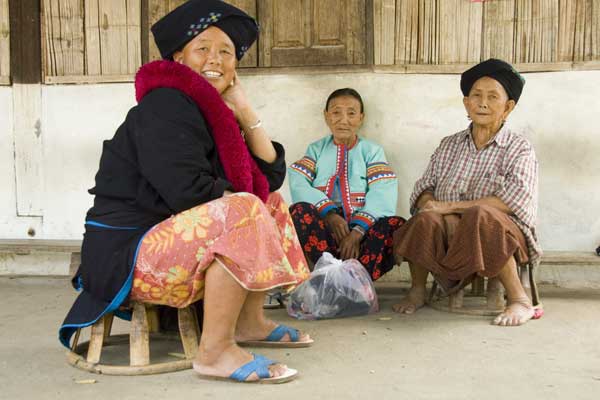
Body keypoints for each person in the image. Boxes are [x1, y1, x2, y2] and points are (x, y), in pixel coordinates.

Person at [59, 0, 312, 383]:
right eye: (203, 48)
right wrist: (243, 206)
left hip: (168, 244)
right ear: (179, 58)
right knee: (243, 209)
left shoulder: (215, 115)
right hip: (127, 254)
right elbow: (187, 191)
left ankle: (249, 323)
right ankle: (215, 352)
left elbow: (269, 177)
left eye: (226, 51)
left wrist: (245, 112)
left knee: (269, 204)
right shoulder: (166, 103)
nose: (216, 58)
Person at [392, 58, 542, 327]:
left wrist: (449, 208)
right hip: (448, 228)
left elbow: (514, 199)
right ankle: (417, 290)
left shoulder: (519, 148)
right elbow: (424, 187)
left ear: (508, 108)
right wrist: (430, 205)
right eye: (476, 95)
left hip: (500, 231)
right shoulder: (449, 144)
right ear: (466, 103)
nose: (483, 103)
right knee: (424, 218)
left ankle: (520, 300)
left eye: (492, 97)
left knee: (481, 215)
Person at [289, 88, 405, 281]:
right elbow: (298, 180)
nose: (343, 120)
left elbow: (383, 190)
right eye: (336, 112)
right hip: (325, 232)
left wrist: (358, 232)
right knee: (299, 211)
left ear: (361, 118)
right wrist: (330, 215)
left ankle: (356, 282)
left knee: (395, 225)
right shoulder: (316, 150)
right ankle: (327, 276)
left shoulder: (372, 151)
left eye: (351, 113)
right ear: (326, 117)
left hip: (362, 233)